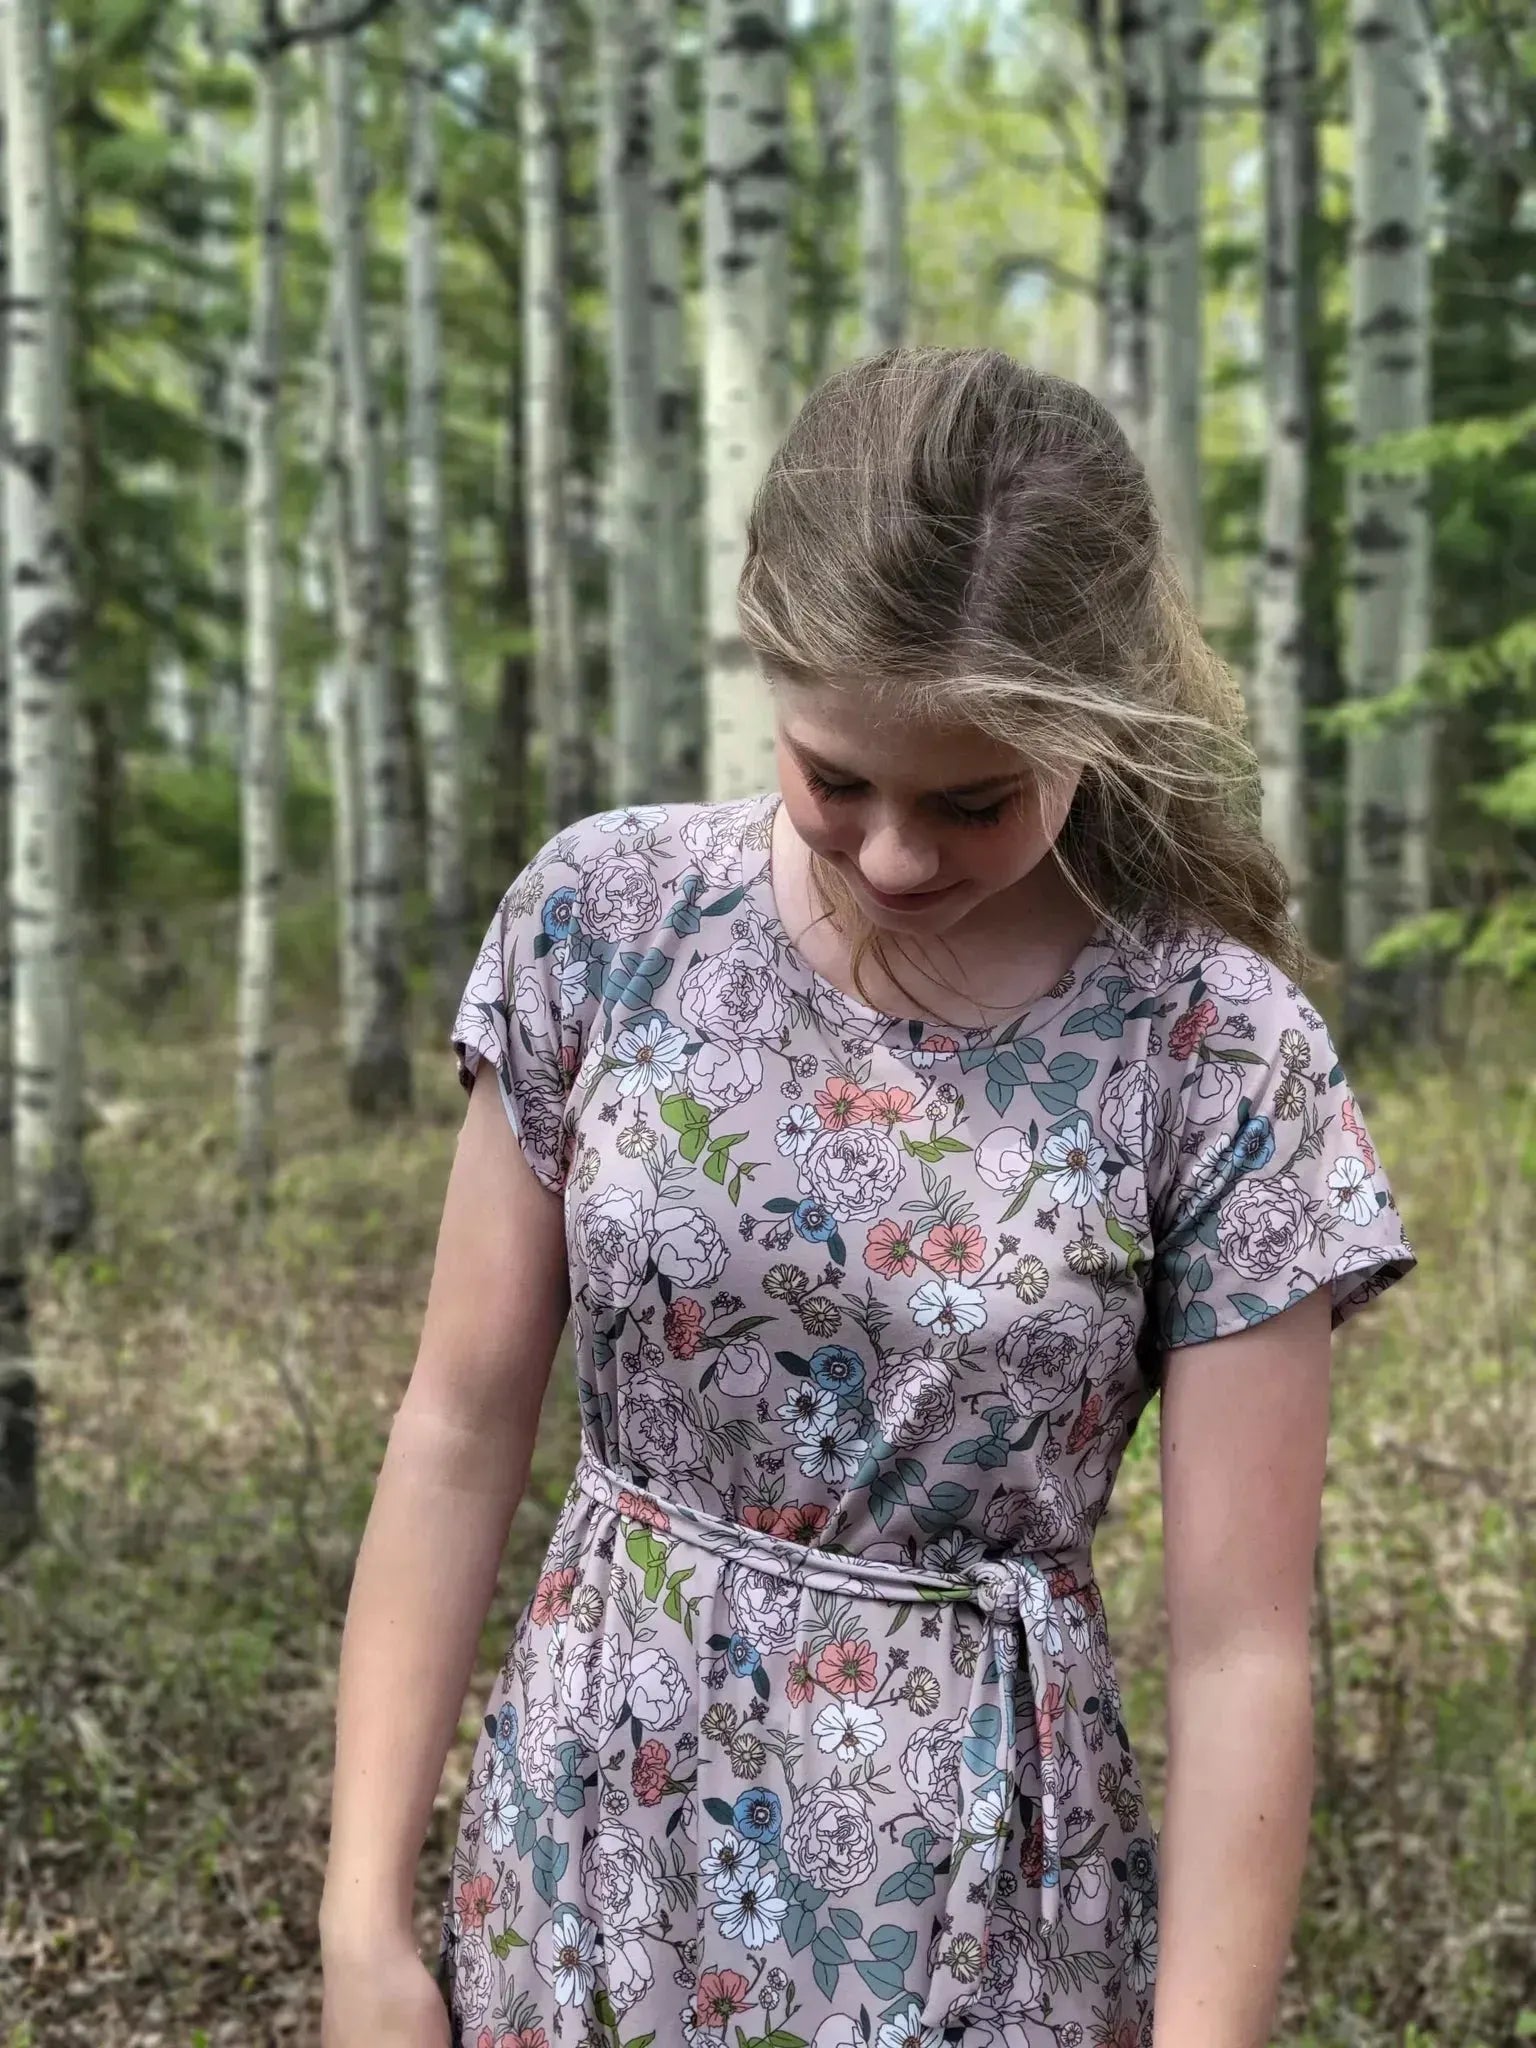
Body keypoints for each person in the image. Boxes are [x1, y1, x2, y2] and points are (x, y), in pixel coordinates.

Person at [319, 348, 1416, 2048]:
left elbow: (1242, 1649)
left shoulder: (1213, 1049)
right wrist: (360, 1920)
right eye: (835, 778)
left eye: (974, 800)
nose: (896, 857)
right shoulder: (606, 921)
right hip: (592, 1848)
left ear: (1095, 720)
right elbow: (458, 1429)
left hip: (978, 1919)